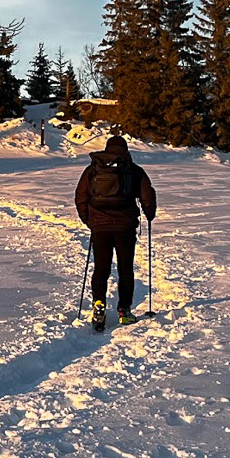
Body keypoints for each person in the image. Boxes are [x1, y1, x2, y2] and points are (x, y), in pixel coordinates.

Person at [75, 133, 157, 330]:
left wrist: (90, 221)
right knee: (125, 269)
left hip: (100, 227)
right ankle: (124, 311)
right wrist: (149, 214)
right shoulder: (133, 170)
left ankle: (98, 305)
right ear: (125, 150)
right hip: (125, 227)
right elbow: (148, 195)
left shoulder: (92, 170)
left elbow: (80, 197)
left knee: (101, 268)